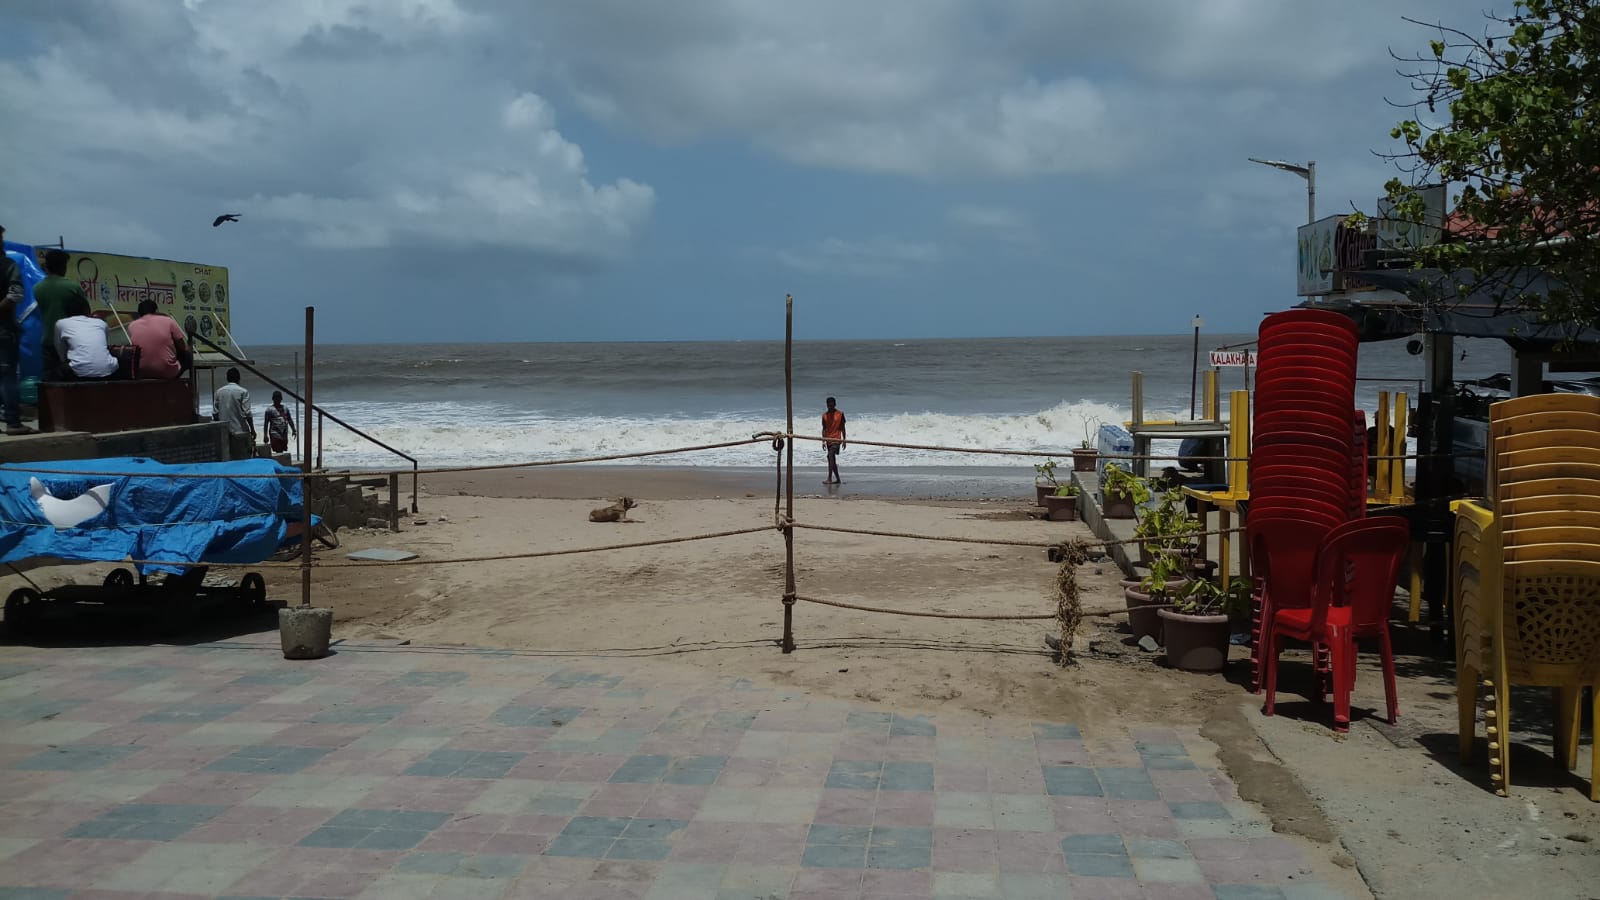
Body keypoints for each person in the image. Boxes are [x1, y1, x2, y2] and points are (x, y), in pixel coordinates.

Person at [32, 249, 85, 378]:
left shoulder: (36, 288)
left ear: (47, 266)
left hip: (47, 341)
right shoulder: (74, 287)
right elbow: (84, 312)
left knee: (49, 383)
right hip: (70, 342)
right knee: (71, 382)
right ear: (63, 266)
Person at [0, 225, 33, 434]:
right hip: (3, 331)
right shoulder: (8, 265)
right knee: (7, 374)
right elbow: (15, 295)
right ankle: (12, 422)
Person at [53, 294, 119, 380]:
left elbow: (61, 352)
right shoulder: (100, 323)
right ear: (88, 309)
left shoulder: (61, 323)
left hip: (78, 373)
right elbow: (105, 345)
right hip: (108, 370)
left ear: (65, 310)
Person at [127, 299, 192, 379]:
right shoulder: (168, 321)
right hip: (168, 372)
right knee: (187, 355)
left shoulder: (132, 326)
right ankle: (190, 385)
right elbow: (182, 346)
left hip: (142, 372)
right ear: (156, 310)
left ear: (139, 313)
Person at [213, 367, 256, 459]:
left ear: (227, 378)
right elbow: (247, 413)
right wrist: (252, 429)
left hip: (224, 433)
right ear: (238, 378)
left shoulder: (218, 392)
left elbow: (215, 414)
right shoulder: (243, 392)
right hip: (240, 430)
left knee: (228, 458)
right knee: (243, 458)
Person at [822, 396, 847, 484]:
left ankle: (829, 478)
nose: (830, 407)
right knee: (831, 459)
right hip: (828, 439)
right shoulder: (824, 416)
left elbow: (843, 428)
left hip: (836, 439)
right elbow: (824, 429)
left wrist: (844, 440)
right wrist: (823, 441)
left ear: (835, 404)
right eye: (828, 405)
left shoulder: (840, 414)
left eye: (832, 405)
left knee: (830, 456)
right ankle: (838, 479)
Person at [263, 390, 297, 454]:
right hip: (274, 433)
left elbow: (289, 419)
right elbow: (266, 423)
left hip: (284, 433)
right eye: (275, 398)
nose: (277, 400)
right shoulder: (269, 410)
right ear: (273, 399)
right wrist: (265, 435)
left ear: (281, 399)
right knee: (277, 449)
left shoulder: (285, 408)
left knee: (282, 449)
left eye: (279, 398)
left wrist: (294, 429)